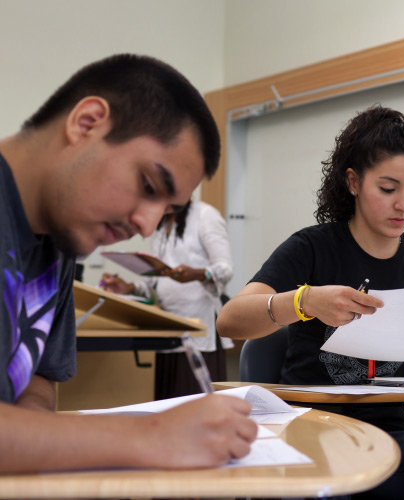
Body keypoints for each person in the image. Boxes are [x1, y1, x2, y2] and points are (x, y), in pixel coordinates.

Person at [217, 105, 404, 499]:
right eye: (388, 188)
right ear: (353, 182)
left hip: (388, 433)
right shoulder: (311, 247)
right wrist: (304, 301)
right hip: (309, 429)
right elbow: (229, 320)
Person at [0, 53, 257, 473]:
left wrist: (33, 445)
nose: (146, 223)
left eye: (167, 208)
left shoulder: (60, 242)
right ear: (86, 124)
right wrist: (148, 436)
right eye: (147, 184)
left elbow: (38, 381)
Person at [101, 198, 234, 399]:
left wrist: (198, 273)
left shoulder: (206, 215)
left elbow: (225, 269)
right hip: (166, 327)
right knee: (167, 403)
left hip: (198, 329)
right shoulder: (162, 223)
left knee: (193, 405)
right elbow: (158, 281)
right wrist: (129, 287)